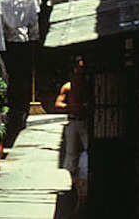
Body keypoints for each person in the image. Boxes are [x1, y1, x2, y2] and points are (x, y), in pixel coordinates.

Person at [55, 56, 89, 212]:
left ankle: (84, 187)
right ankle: (72, 186)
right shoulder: (68, 87)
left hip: (85, 122)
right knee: (70, 155)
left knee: (88, 152)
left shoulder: (88, 85)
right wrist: (72, 106)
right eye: (77, 67)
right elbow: (58, 104)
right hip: (73, 121)